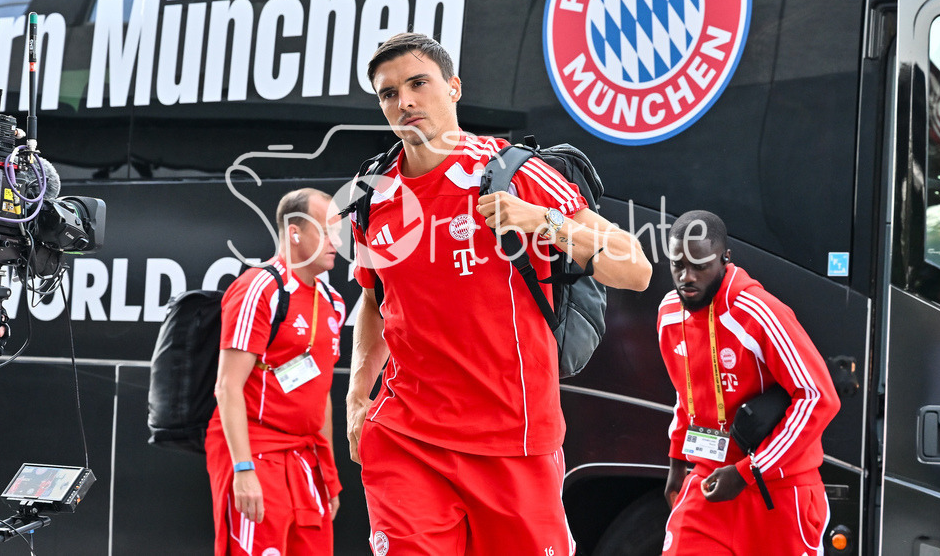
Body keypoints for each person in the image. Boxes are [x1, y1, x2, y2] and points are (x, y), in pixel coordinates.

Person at [345, 32, 653, 555]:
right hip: (406, 438)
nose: (405, 102)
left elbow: (636, 268)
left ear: (454, 87)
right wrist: (357, 399)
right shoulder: (373, 195)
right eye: (389, 93)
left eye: (418, 83)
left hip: (514, 439)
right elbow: (376, 301)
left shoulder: (515, 172)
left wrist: (546, 222)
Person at [657, 210, 840, 556]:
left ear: (725, 259)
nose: (686, 277)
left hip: (779, 493)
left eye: (700, 266)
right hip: (709, 482)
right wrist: (677, 462)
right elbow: (686, 394)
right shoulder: (668, 314)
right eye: (677, 265)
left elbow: (818, 397)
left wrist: (748, 472)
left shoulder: (758, 312)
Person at [205, 188, 345, 556]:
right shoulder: (259, 287)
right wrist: (243, 469)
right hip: (257, 451)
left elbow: (321, 395)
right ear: (295, 232)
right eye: (326, 231)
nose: (336, 242)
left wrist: (328, 474)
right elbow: (227, 387)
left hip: (306, 458)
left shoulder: (333, 302)